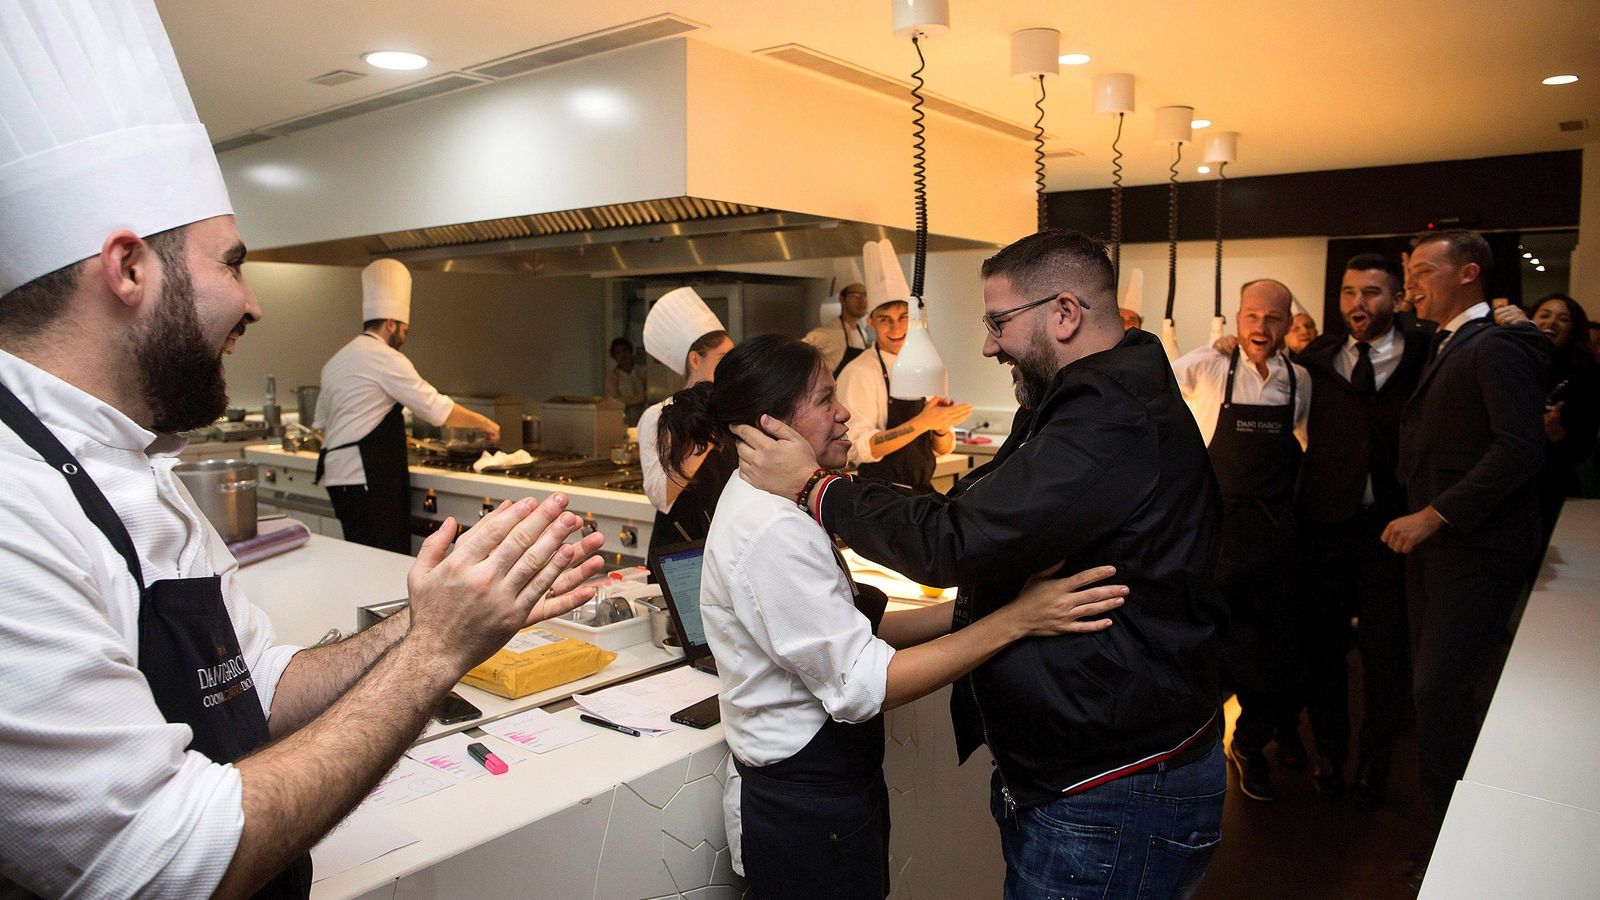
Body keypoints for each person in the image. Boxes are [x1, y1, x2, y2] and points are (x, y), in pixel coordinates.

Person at [0, 4, 607, 896]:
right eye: (232, 263)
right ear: (128, 268)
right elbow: (157, 867)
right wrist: (433, 657)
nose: (253, 304)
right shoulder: (15, 505)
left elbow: (257, 685)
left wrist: (439, 620)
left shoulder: (138, 468)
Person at [735, 230, 1227, 899]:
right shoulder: (1078, 397)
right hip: (1089, 777)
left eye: (998, 323)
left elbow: (957, 542)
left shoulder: (1110, 412)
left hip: (1115, 786)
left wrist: (820, 489)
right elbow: (978, 507)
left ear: (1064, 314)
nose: (991, 345)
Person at [659, 334, 1128, 898]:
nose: (844, 412)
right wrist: (1017, 622)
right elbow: (862, 684)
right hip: (805, 808)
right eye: (825, 398)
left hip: (827, 792)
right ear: (771, 426)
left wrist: (987, 606)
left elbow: (857, 632)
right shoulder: (771, 531)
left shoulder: (777, 504)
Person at [1382, 230, 1547, 876]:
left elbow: (1519, 448)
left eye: (1423, 271)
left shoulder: (1498, 341)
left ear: (1470, 273)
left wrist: (1434, 513)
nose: (1411, 284)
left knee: (1442, 692)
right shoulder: (1452, 341)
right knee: (1435, 695)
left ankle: (1465, 844)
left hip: (1474, 549)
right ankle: (1449, 832)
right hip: (1441, 553)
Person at [1293, 253, 1430, 803]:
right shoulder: (1318, 358)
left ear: (1396, 298)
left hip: (1391, 529)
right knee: (1322, 649)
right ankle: (1329, 752)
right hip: (1324, 529)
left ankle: (1374, 759)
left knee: (1385, 654)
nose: (1358, 304)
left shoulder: (1427, 353)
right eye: (1350, 293)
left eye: (1371, 293)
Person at [1172, 278, 1312, 802]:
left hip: (1274, 539)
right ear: (1237, 318)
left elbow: (1302, 446)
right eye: (1252, 316)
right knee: (1208, 646)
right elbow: (1150, 387)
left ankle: (1251, 743)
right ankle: (1195, 753)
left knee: (1276, 652)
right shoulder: (1208, 365)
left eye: (1273, 317)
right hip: (1216, 536)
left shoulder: (1298, 380)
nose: (1261, 326)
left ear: (1287, 322)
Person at [315, 259, 501, 553]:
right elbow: (436, 408)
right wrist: (485, 423)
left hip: (338, 479)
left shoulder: (336, 360)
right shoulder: (385, 358)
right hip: (367, 480)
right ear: (391, 323)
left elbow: (324, 426)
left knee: (362, 557)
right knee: (383, 560)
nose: (404, 336)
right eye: (404, 329)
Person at [637, 287, 736, 557]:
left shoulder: (733, 411)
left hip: (727, 544)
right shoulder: (659, 415)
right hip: (680, 547)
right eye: (722, 360)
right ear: (695, 359)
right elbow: (661, 496)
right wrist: (703, 436)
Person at [836, 298, 971, 491]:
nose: (895, 327)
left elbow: (942, 448)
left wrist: (940, 427)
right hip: (878, 492)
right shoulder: (859, 371)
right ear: (871, 322)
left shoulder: (925, 365)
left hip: (921, 490)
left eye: (904, 317)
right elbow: (858, 449)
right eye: (884, 319)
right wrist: (923, 422)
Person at [1529, 294, 1598, 548]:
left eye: (1563, 319)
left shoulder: (1586, 375)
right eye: (1544, 315)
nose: (1551, 323)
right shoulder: (1509, 362)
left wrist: (1557, 433)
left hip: (1553, 482)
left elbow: (1586, 442)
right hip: (1509, 483)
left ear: (1573, 330)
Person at [804, 282, 874, 376]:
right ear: (842, 299)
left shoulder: (863, 334)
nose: (862, 301)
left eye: (864, 296)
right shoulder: (827, 333)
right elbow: (797, 352)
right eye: (855, 296)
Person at [602, 336, 647, 425]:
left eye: (625, 350)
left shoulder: (641, 371)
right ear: (614, 356)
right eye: (618, 352)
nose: (623, 354)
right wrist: (641, 398)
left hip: (642, 417)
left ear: (630, 352)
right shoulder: (612, 377)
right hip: (622, 420)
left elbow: (650, 394)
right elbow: (618, 401)